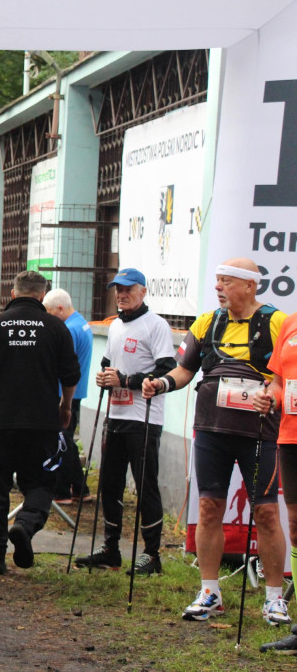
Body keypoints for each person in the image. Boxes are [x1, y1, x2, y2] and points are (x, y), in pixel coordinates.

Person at [142, 258, 289, 625]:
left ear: (251, 286)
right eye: (218, 281)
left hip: (259, 431)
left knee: (267, 512)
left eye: (227, 281)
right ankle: (210, 591)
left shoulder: (277, 322)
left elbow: (285, 376)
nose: (219, 287)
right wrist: (160, 384)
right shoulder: (208, 321)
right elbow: (184, 369)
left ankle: (275, 597)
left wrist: (271, 395)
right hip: (211, 429)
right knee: (209, 509)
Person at [0, 271, 79, 575]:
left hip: (2, 423)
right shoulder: (55, 327)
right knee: (40, 483)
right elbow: (71, 375)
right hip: (42, 424)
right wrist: (65, 408)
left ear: (13, 293)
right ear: (42, 295)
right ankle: (24, 525)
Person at [75, 268, 175, 575]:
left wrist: (127, 379)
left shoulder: (156, 325)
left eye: (128, 288)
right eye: (117, 289)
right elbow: (109, 364)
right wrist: (105, 377)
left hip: (144, 418)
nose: (121, 294)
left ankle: (152, 554)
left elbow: (167, 369)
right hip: (115, 415)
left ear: (143, 291)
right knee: (110, 483)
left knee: (145, 486)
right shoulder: (116, 325)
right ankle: (111, 548)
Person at [254, 295, 297, 652]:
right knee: (296, 525)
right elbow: (280, 380)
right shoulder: (290, 323)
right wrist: (270, 395)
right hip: (290, 436)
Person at [43, 288, 94, 503]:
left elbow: (63, 363)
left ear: (60, 309)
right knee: (68, 440)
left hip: (65, 393)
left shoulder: (69, 330)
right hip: (74, 391)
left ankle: (62, 490)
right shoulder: (81, 323)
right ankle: (80, 488)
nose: (47, 317)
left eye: (49, 312)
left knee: (62, 440)